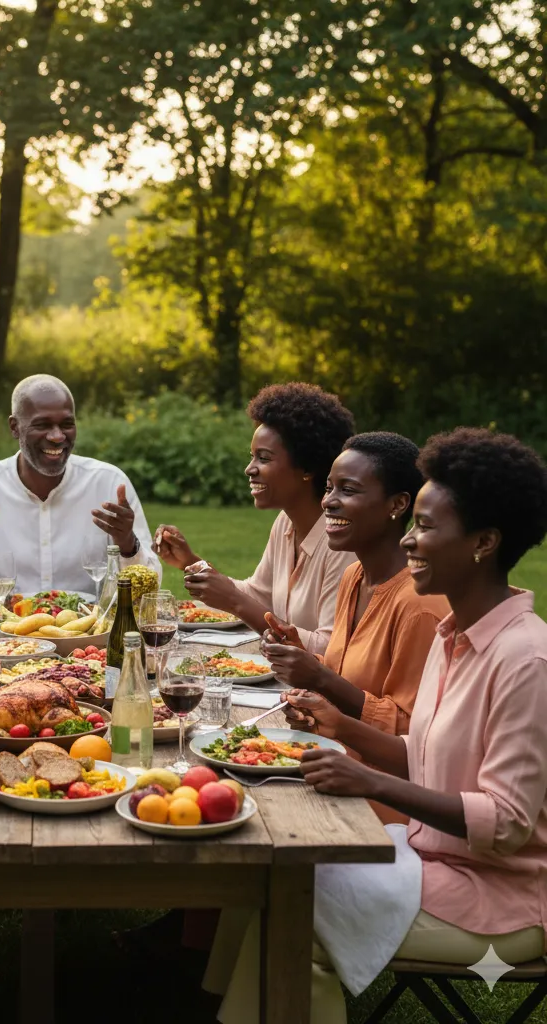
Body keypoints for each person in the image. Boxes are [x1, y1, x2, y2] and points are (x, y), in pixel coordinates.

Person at [216, 427, 547, 1024]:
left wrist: (369, 782)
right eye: (412, 524)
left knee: (294, 908)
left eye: (426, 527)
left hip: (500, 896)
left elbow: (506, 824)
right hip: (427, 854)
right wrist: (341, 728)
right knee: (276, 869)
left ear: (484, 542)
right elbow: (420, 755)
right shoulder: (456, 636)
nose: (411, 541)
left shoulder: (525, 659)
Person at [261, 432, 450, 823]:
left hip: (382, 802)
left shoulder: (420, 606)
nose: (328, 500)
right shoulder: (355, 575)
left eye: (347, 490)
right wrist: (310, 670)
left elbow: (413, 736)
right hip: (332, 763)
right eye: (329, 488)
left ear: (398, 505)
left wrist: (323, 681)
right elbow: (353, 683)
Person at [154, 382, 358, 654]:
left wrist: (235, 601)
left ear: (307, 467)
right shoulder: (286, 524)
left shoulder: (342, 543)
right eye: (252, 457)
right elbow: (257, 596)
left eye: (264, 458)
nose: (250, 469)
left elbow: (328, 649)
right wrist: (191, 562)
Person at [0, 374, 160, 600]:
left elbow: (151, 588)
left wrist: (129, 544)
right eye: (42, 425)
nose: (57, 436)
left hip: (88, 637)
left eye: (66, 424)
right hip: (3, 639)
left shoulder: (109, 484)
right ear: (15, 427)